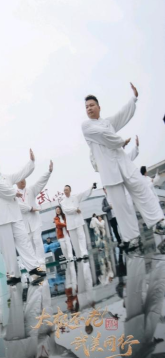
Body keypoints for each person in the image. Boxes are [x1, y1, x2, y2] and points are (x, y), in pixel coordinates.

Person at [82, 83, 165, 250]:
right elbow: (103, 135)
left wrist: (133, 99)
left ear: (99, 107)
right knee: (120, 206)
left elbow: (122, 115)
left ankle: (158, 222)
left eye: (91, 105)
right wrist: (120, 141)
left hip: (123, 162)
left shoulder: (108, 122)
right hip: (109, 171)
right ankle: (132, 238)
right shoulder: (86, 126)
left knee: (142, 188)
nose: (89, 108)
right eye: (86, 107)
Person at [0, 151, 45, 285]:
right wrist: (14, 192)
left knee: (24, 240)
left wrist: (31, 162)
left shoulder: (5, 177)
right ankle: (14, 274)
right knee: (8, 248)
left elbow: (21, 174)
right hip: (0, 219)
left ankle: (34, 268)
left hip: (14, 215)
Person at [16, 160, 54, 269]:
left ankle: (41, 262)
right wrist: (30, 208)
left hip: (35, 221)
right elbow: (19, 207)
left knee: (37, 240)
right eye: (20, 180)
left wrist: (48, 172)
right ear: (16, 182)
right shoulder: (14, 195)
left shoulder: (31, 189)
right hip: (25, 224)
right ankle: (35, 264)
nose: (23, 181)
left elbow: (40, 182)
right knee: (30, 244)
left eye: (24, 179)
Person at [61, 184, 95, 260]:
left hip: (78, 221)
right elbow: (66, 211)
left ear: (70, 190)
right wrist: (76, 209)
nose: (65, 191)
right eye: (64, 190)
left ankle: (84, 253)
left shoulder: (75, 197)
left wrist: (91, 187)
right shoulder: (63, 202)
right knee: (74, 240)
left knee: (81, 237)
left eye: (67, 190)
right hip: (70, 223)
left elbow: (84, 194)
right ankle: (78, 255)